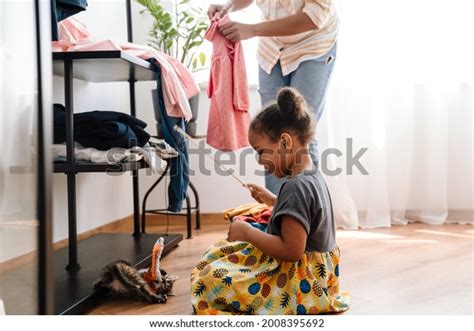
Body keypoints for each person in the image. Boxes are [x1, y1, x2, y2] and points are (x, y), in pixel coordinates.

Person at [190, 88, 350, 315]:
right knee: (222, 254)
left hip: (300, 286)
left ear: (285, 142)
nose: (259, 160)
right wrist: (273, 200)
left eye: (261, 151)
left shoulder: (295, 186)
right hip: (321, 279)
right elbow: (306, 219)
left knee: (209, 277)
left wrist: (246, 232)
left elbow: (291, 250)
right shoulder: (311, 174)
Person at [208, 0, 338, 194]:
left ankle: (307, 213)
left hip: (313, 44)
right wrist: (228, 6)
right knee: (269, 134)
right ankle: (277, 214)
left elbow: (314, 17)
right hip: (272, 48)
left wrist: (252, 30)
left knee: (300, 134)